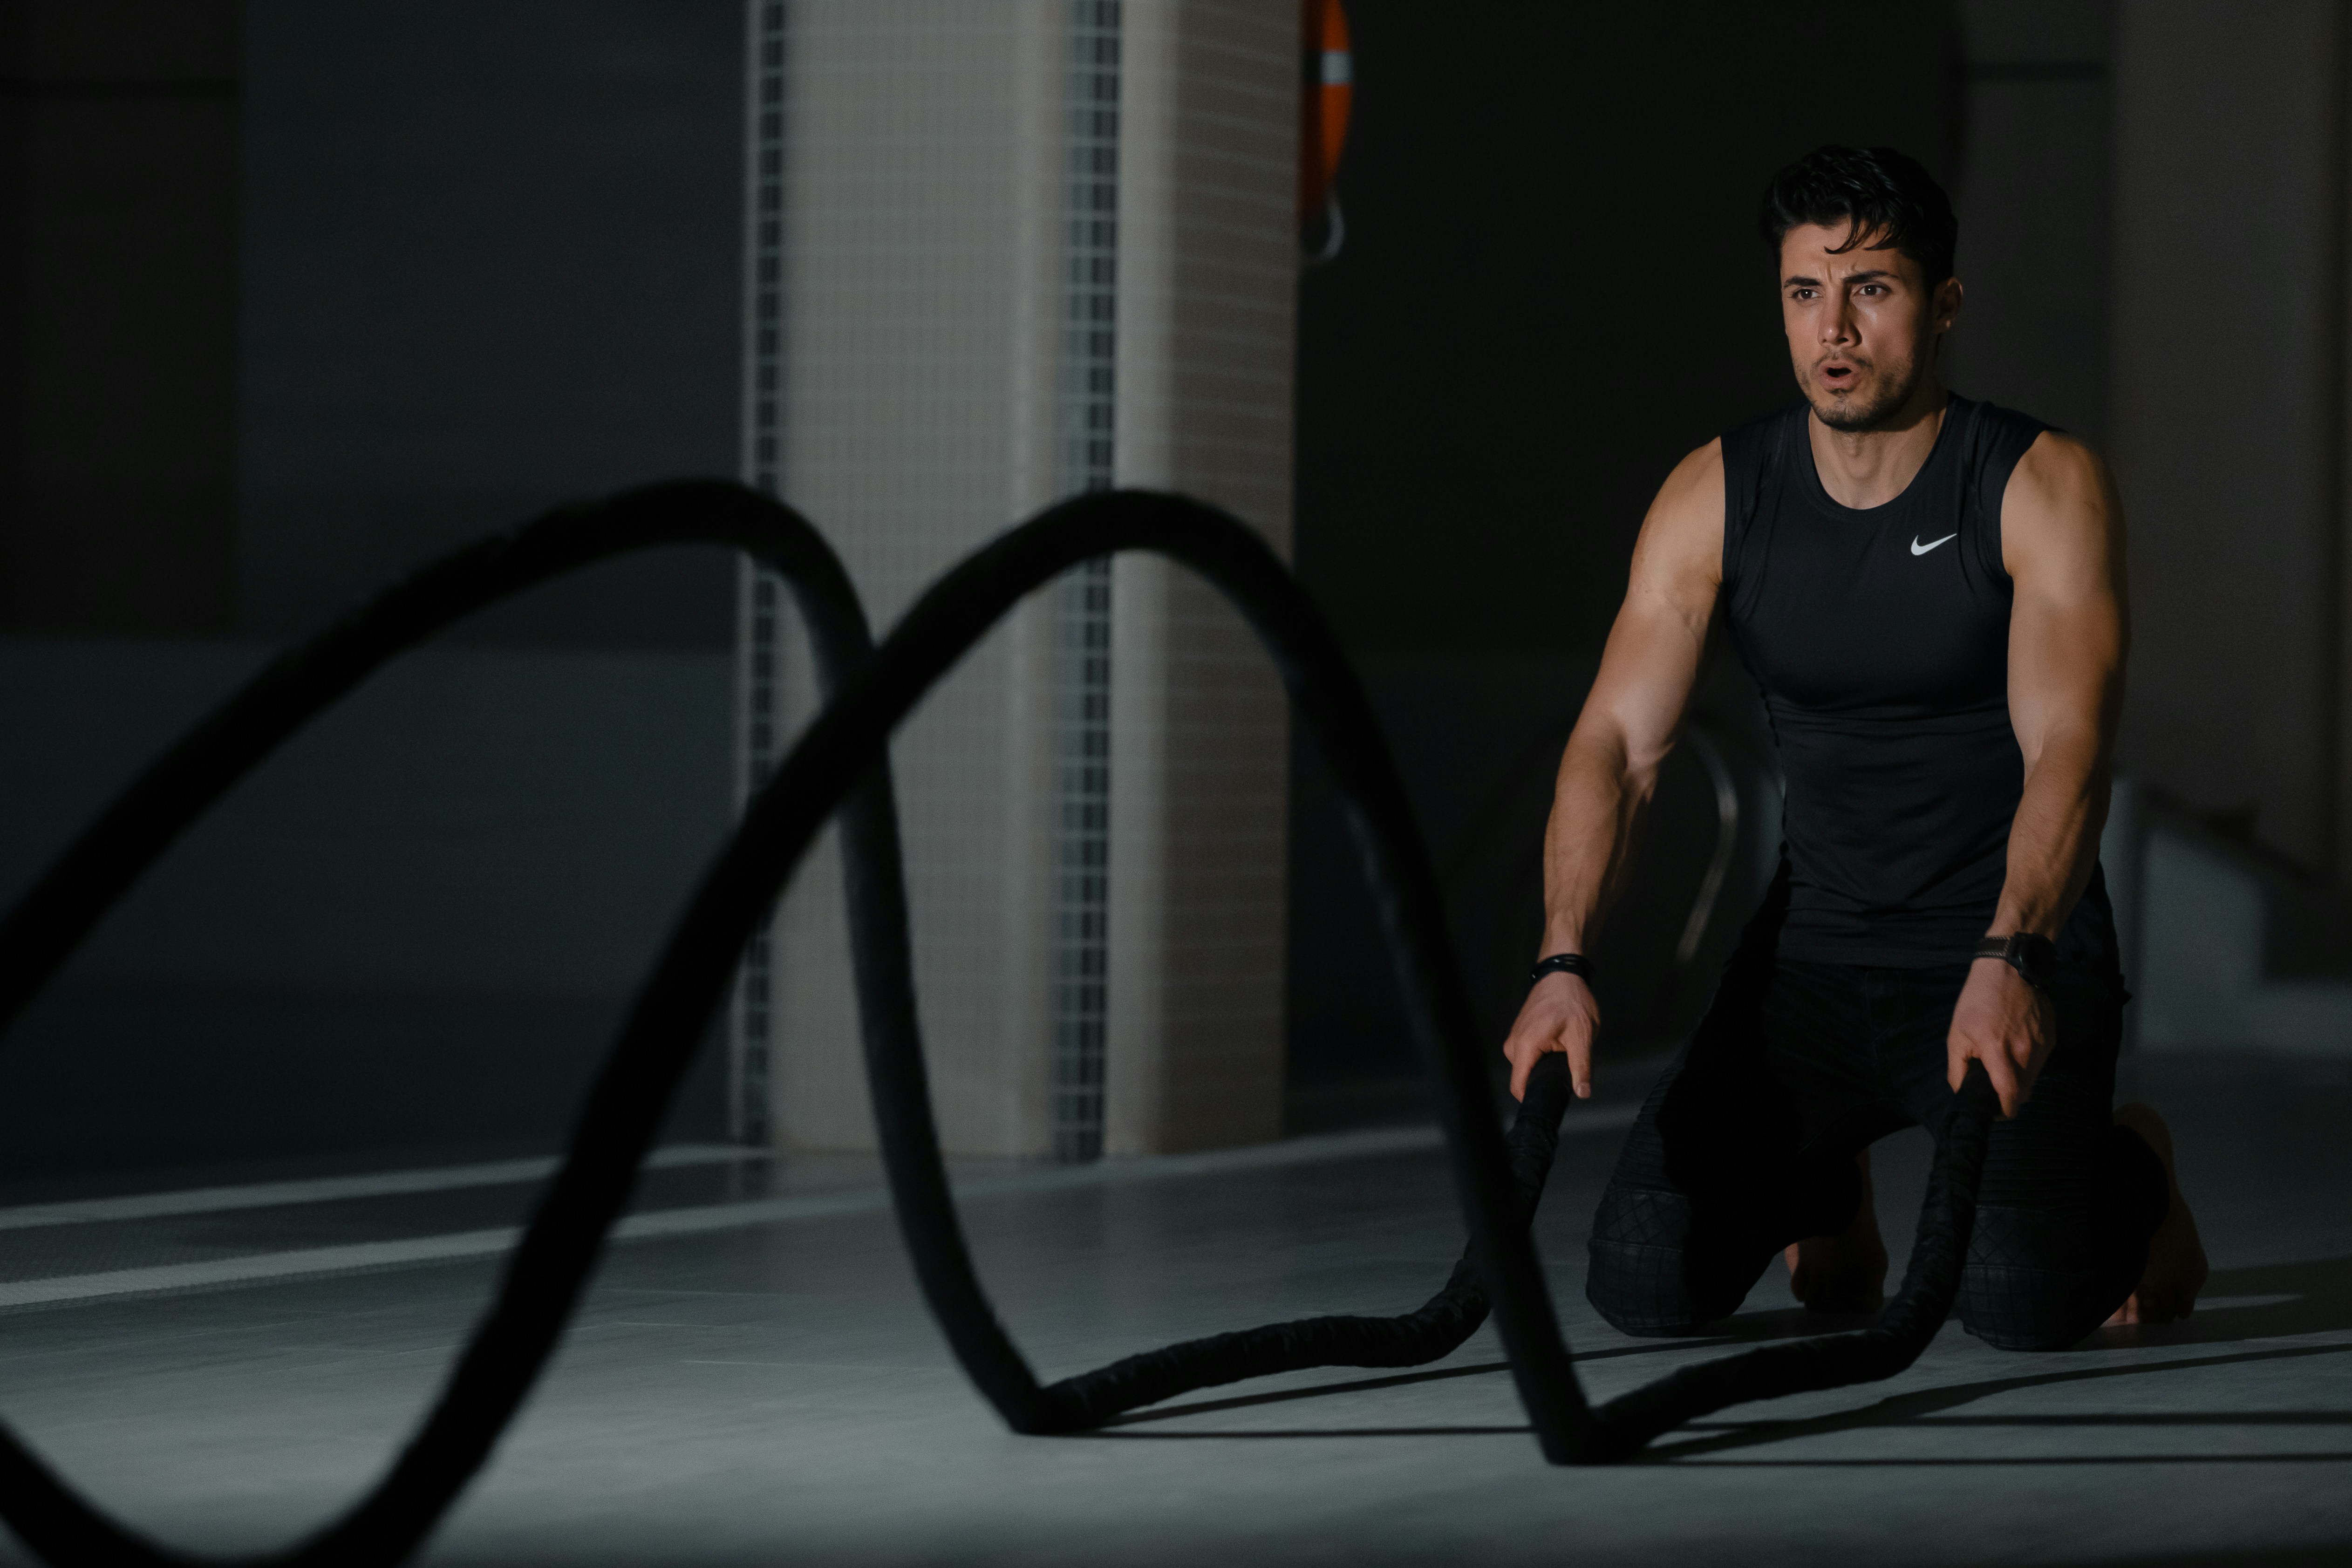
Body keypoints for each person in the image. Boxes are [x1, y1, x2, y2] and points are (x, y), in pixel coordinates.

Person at [1501, 144, 2207, 1348]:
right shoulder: (1715, 492)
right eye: (1802, 293)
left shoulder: (2037, 483)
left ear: (1940, 305)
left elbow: (2067, 746)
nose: (1833, 327)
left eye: (1869, 289)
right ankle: (1825, 1179)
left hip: (2004, 951)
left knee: (2020, 1306)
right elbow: (1618, 743)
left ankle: (2130, 1167)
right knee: (1640, 1279)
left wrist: (2012, 952)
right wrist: (1560, 958)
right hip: (1809, 966)